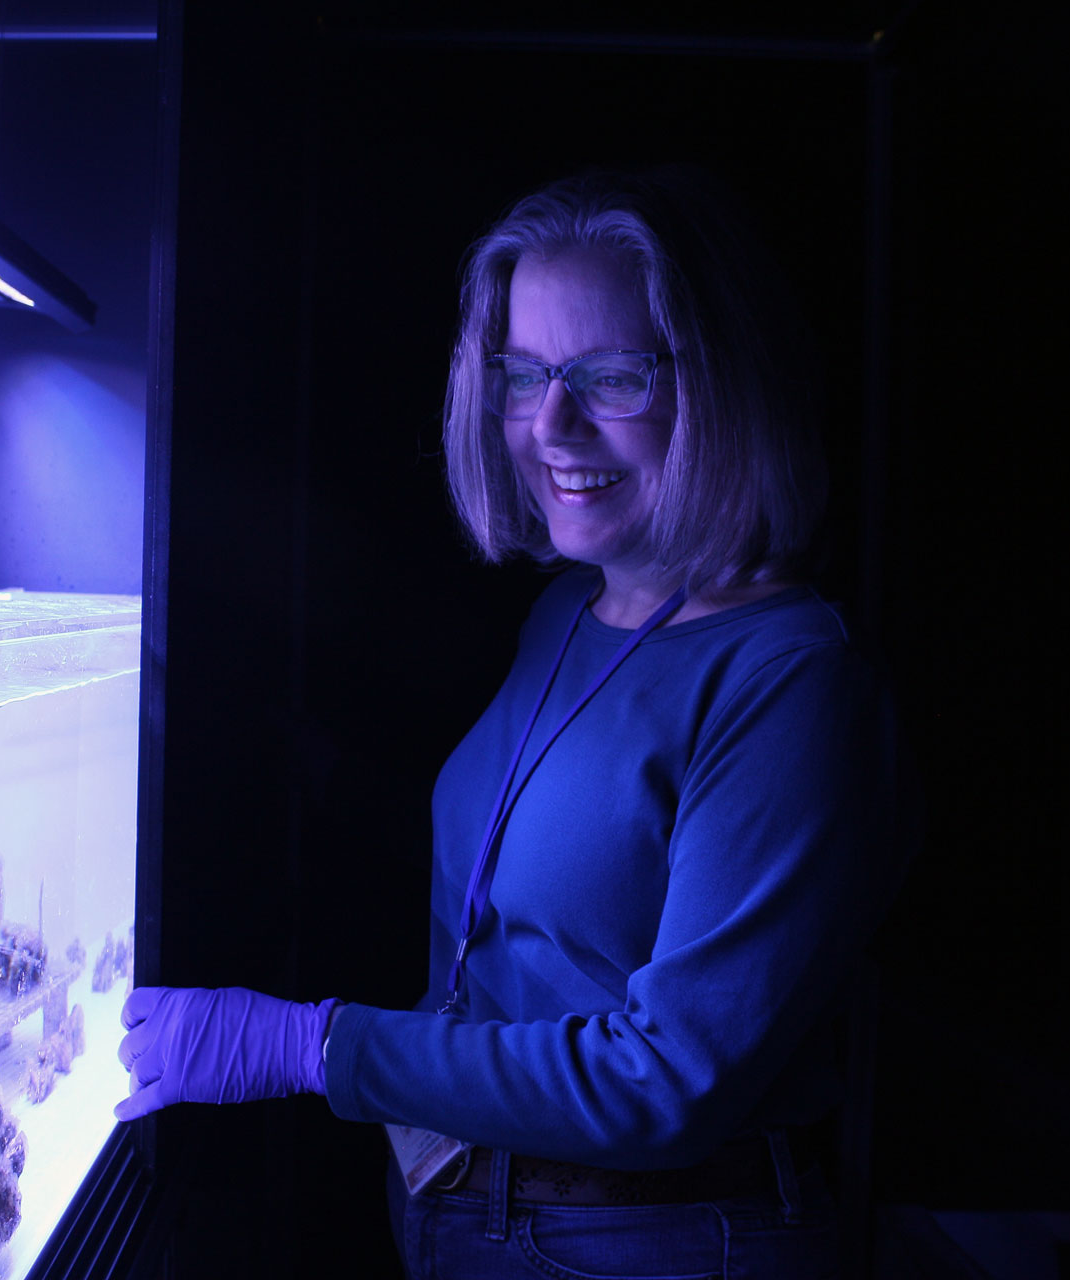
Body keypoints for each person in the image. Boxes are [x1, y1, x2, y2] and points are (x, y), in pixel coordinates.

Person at [116, 169, 913, 1279]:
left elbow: (666, 1083)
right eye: (525, 373)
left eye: (612, 375)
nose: (553, 423)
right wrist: (318, 768)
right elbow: (545, 890)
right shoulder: (571, 611)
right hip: (483, 1215)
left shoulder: (790, 682)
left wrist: (310, 1044)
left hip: (657, 1243)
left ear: (723, 387)